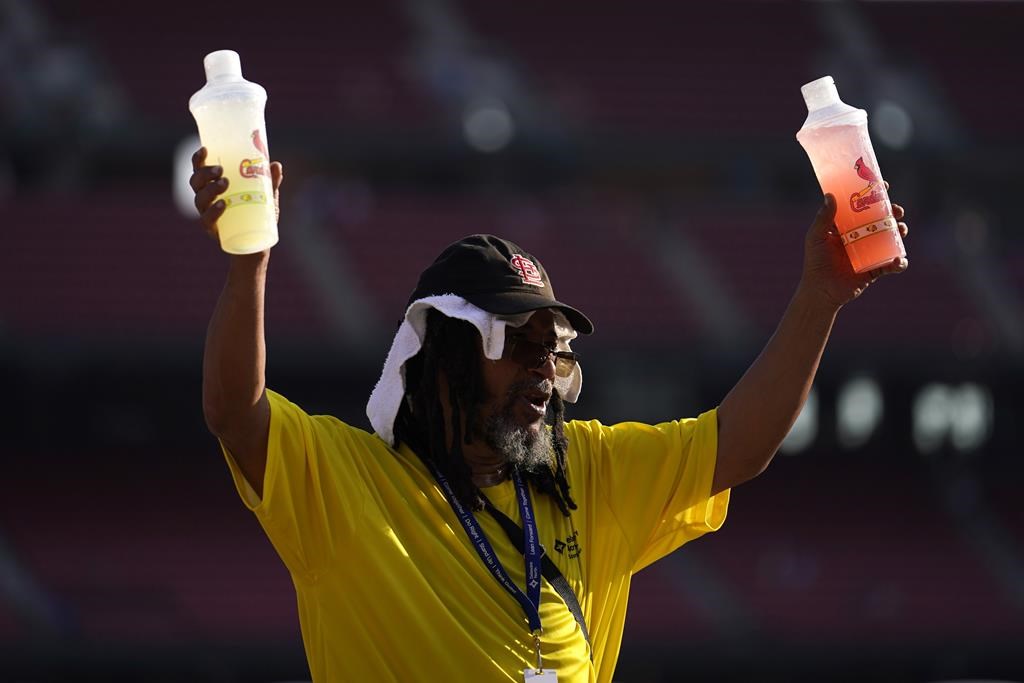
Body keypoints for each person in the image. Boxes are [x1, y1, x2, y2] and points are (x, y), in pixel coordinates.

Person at [189, 147, 908, 682]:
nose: (543, 369)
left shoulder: (587, 470)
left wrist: (822, 296)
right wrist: (248, 263)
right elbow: (233, 411)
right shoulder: (344, 483)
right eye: (519, 344)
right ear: (445, 350)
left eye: (553, 349)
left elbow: (739, 444)